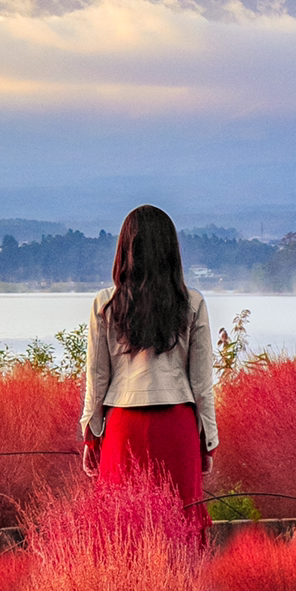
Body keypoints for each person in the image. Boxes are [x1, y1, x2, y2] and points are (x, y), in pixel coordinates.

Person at [81, 205, 217, 525]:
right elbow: (201, 383)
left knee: (122, 526)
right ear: (172, 250)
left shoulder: (105, 303)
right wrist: (207, 441)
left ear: (124, 249)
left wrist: (91, 434)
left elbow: (97, 377)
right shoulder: (192, 303)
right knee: (180, 522)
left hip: (121, 425)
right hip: (178, 424)